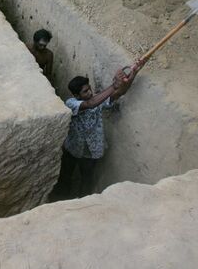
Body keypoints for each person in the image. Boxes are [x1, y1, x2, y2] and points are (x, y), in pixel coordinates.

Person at [52, 68, 136, 198]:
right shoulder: (71, 103)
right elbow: (90, 104)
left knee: (86, 179)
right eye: (85, 91)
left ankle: (83, 203)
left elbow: (119, 93)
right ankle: (61, 200)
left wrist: (131, 77)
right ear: (76, 95)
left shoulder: (97, 99)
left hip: (90, 152)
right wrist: (114, 85)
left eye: (89, 88)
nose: (90, 92)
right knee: (65, 176)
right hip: (72, 148)